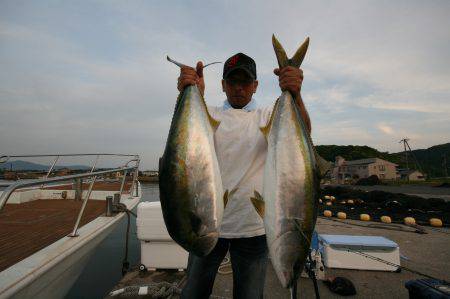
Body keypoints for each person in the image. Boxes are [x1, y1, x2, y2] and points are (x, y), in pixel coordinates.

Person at [176, 53, 310, 299]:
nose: (239, 88)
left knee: (249, 295)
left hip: (254, 227)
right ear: (223, 85)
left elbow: (303, 137)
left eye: (245, 82)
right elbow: (187, 136)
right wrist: (193, 91)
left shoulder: (268, 116)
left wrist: (295, 93)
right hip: (206, 224)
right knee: (193, 293)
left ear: (255, 85)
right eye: (232, 82)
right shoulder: (207, 115)